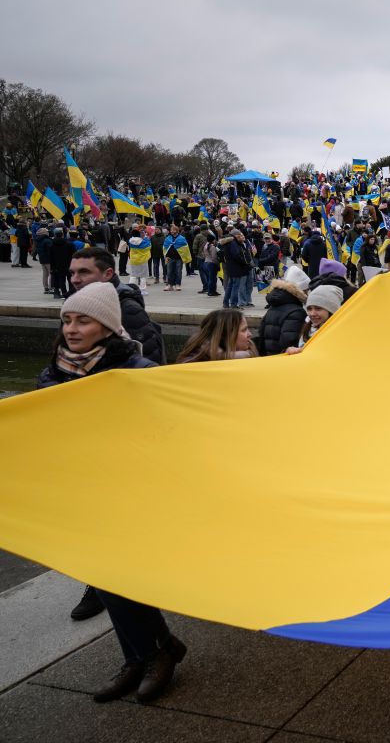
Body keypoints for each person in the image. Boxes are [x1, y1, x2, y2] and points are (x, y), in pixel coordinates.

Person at [36, 282, 185, 703]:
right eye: (66, 319)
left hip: (129, 491)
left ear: (106, 326)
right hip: (82, 491)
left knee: (118, 578)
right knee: (104, 580)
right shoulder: (54, 371)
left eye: (83, 319)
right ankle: (144, 654)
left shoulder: (135, 370)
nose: (71, 328)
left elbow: (171, 418)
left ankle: (156, 654)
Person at [69, 247, 165, 366]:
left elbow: (147, 363)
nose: (74, 280)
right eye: (72, 273)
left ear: (108, 273)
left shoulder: (128, 310)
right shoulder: (75, 306)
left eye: (84, 272)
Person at [256, 265, 310, 355]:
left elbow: (261, 335)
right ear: (300, 290)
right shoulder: (297, 312)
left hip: (269, 358)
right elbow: (290, 341)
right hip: (283, 360)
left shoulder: (273, 307)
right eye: (306, 290)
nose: (307, 293)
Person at [177, 308, 257, 362]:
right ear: (224, 336)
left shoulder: (250, 354)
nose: (250, 334)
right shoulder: (193, 366)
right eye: (244, 330)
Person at [289, 284, 343, 351]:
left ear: (331, 310)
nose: (312, 314)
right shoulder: (308, 328)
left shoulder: (340, 333)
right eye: (309, 309)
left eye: (318, 308)